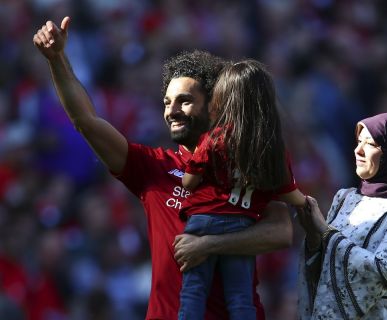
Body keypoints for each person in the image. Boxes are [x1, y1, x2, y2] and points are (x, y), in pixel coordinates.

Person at [33, 17, 293, 320]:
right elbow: (86, 121)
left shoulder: (246, 166)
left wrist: (209, 244)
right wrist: (57, 59)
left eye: (184, 101)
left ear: (214, 106)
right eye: (167, 102)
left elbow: (281, 232)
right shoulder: (154, 167)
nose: (171, 111)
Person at [178, 60, 306, 320]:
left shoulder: (213, 138)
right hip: (241, 226)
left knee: (193, 292)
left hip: (204, 221)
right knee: (240, 298)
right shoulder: (272, 148)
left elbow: (188, 182)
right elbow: (291, 195)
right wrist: (307, 204)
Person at [296, 112, 387, 319]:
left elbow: (381, 271)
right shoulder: (345, 199)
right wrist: (314, 236)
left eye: (370, 144)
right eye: (358, 141)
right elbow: (326, 270)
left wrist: (325, 232)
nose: (358, 150)